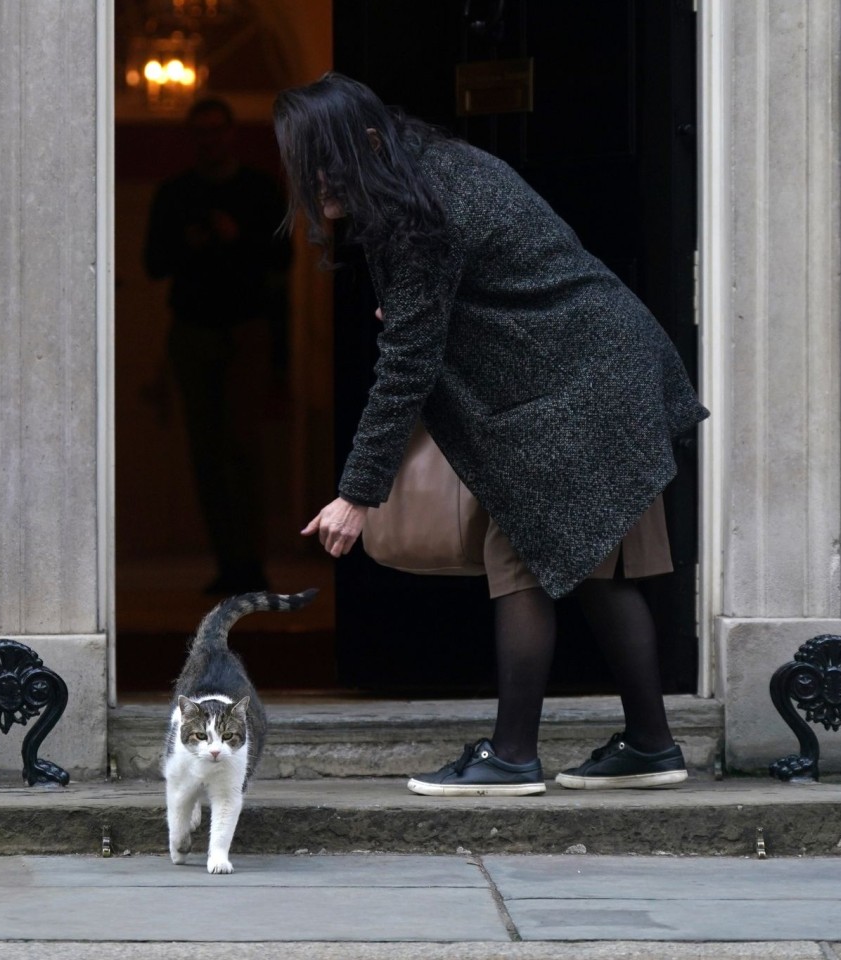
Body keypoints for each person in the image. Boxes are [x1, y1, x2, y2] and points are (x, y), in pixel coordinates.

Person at [278, 73, 708, 796]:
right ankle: (651, 744)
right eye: (303, 165)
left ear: (369, 144)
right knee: (603, 574)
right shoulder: (438, 171)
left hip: (575, 388)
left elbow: (408, 364)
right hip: (605, 369)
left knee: (523, 561)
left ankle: (511, 757)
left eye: (323, 162)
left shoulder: (418, 215)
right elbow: (497, 282)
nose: (312, 181)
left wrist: (358, 494)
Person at [144, 97, 293, 595]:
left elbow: (283, 258)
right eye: (201, 132)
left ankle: (251, 562)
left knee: (243, 449)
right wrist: (191, 243)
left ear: (231, 134)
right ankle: (230, 562)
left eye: (217, 131)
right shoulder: (176, 194)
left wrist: (238, 239)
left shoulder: (258, 190)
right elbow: (153, 263)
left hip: (244, 328)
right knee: (206, 453)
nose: (210, 141)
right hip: (193, 330)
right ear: (194, 139)